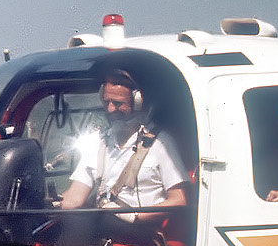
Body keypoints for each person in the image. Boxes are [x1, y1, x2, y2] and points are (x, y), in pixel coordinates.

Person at [60, 71, 188, 225]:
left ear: (138, 102)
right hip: (105, 230)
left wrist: (135, 217)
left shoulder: (161, 144)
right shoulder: (97, 141)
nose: (111, 109)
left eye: (118, 103)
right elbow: (74, 199)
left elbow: (180, 199)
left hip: (141, 233)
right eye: (107, 102)